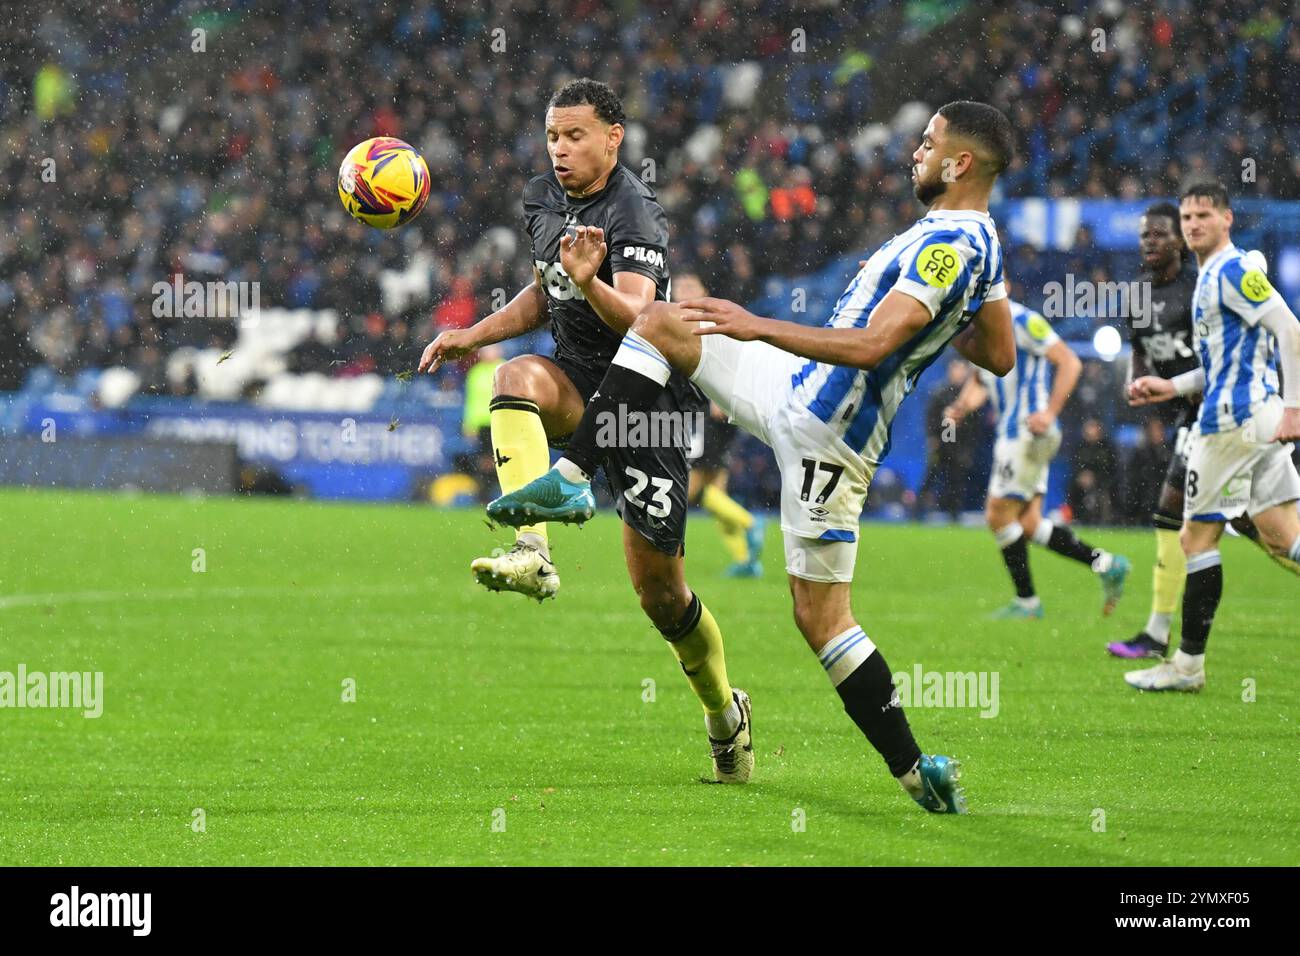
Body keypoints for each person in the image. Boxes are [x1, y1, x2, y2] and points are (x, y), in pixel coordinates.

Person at [488, 101, 1020, 814]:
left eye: (927, 145)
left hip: (829, 433)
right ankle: (574, 476)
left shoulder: (948, 248)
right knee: (663, 322)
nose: (914, 153)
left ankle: (913, 769)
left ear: (959, 164)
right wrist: (941, 324)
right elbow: (1001, 352)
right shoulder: (977, 246)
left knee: (821, 619)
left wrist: (757, 324)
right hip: (792, 389)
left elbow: (871, 347)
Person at [418, 80, 753, 783]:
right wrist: (471, 335)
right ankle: (533, 550)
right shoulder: (543, 198)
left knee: (661, 595)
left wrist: (590, 281)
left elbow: (642, 320)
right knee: (513, 380)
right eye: (552, 137)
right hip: (575, 382)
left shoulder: (635, 213)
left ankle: (725, 713)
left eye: (575, 136)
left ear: (613, 138)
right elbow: (545, 293)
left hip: (641, 406)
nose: (561, 149)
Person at [1125, 183, 1300, 692]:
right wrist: (1170, 386)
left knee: (1195, 537)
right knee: (1282, 536)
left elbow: (1290, 330)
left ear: (1227, 218)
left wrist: (1294, 408)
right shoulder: (1209, 277)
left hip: (1231, 426)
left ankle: (1186, 666)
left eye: (1204, 214)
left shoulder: (1232, 270)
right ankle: (1185, 665)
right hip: (1252, 423)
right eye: (1187, 216)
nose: (1193, 224)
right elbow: (1218, 365)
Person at [1106, 202, 1270, 659]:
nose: (1150, 242)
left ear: (1178, 239)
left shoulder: (1199, 287)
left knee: (1211, 519)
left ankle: (1164, 639)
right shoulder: (1138, 295)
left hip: (1224, 412)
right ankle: (1160, 635)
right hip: (1191, 417)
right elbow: (1139, 348)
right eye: (1144, 236)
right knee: (1193, 518)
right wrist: (1135, 381)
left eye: (1159, 234)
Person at [944, 303, 1130, 619]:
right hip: (1018, 433)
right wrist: (962, 406)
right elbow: (980, 379)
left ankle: (1027, 602)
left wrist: (1050, 413)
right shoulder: (982, 327)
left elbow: (1070, 362)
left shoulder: (1022, 320)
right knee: (1028, 524)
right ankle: (1106, 564)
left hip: (1026, 432)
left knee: (997, 516)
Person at [676, 273, 765, 577]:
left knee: (696, 492)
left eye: (691, 286)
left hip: (711, 415)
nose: (685, 291)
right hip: (708, 414)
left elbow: (732, 361)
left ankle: (751, 524)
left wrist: (722, 397)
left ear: (704, 291)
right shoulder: (679, 324)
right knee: (716, 490)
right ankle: (745, 561)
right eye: (680, 287)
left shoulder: (710, 326)